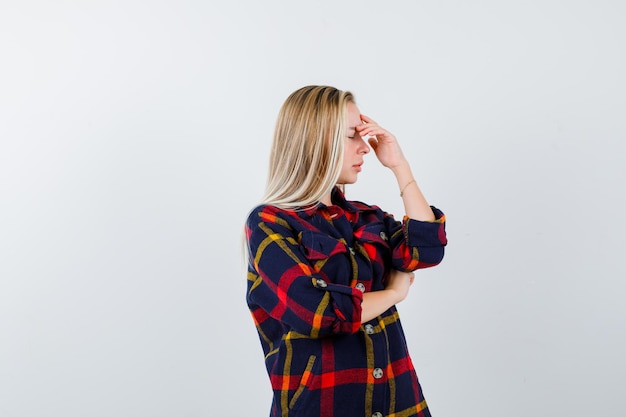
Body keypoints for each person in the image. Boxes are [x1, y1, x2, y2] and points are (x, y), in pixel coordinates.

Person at [244, 85, 447, 417]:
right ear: (316, 141)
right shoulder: (269, 222)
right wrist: (394, 293)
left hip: (400, 404)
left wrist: (399, 165)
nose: (365, 147)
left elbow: (426, 250)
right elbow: (320, 314)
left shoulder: (366, 218)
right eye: (353, 135)